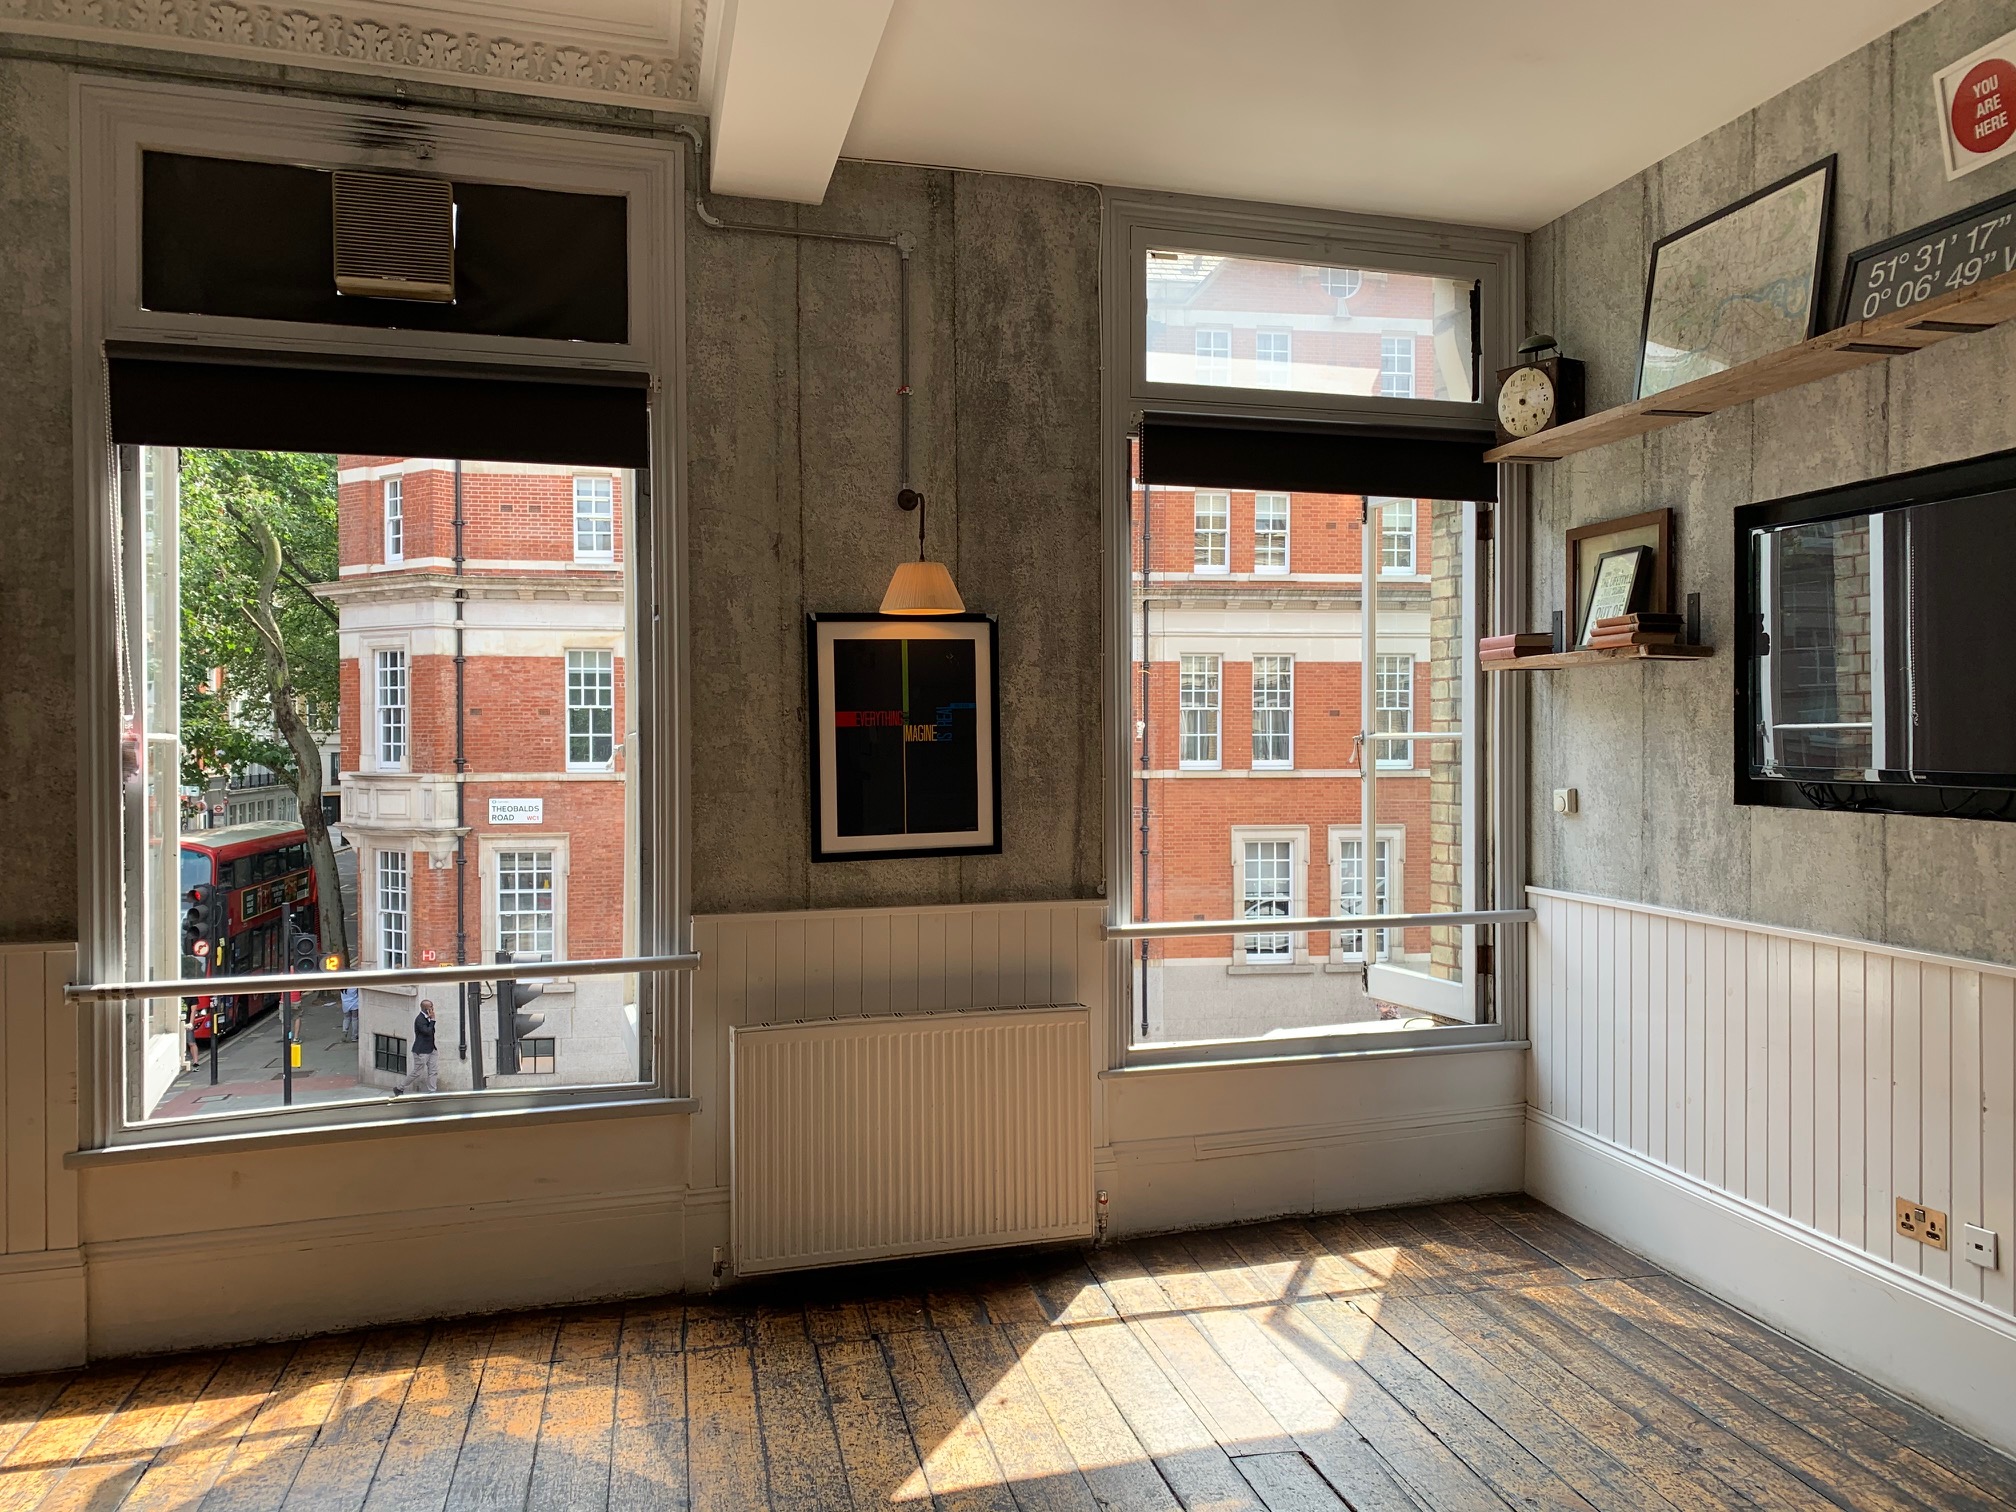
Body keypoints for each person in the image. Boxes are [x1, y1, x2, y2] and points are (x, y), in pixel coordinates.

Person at [394, 998, 438, 1095]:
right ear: (426, 1008)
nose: (433, 1008)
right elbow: (427, 1031)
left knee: (433, 1070)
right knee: (417, 1072)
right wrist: (433, 1020)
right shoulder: (420, 1020)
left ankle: (432, 1091)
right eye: (430, 1007)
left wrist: (431, 1020)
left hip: (431, 1049)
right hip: (421, 1050)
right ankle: (399, 1087)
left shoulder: (427, 1018)